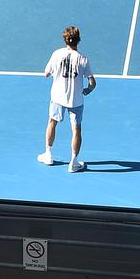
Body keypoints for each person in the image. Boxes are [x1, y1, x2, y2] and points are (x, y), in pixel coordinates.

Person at [38, 26, 96, 173]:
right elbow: (92, 83)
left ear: (65, 40)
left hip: (57, 97)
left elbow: (46, 73)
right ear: (78, 40)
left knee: (52, 122)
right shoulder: (83, 59)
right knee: (76, 130)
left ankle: (48, 155)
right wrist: (86, 91)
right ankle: (74, 162)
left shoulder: (57, 54)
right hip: (76, 100)